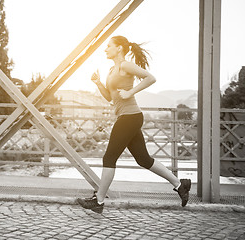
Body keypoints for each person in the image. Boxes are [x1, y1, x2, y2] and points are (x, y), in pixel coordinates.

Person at [76, 35, 191, 214]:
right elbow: (110, 97)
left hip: (130, 117)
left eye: (109, 46)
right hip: (127, 116)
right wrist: (98, 83)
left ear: (119, 48)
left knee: (109, 158)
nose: (105, 49)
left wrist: (130, 92)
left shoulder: (124, 65)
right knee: (144, 160)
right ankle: (179, 184)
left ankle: (99, 201)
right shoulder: (112, 69)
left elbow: (150, 78)